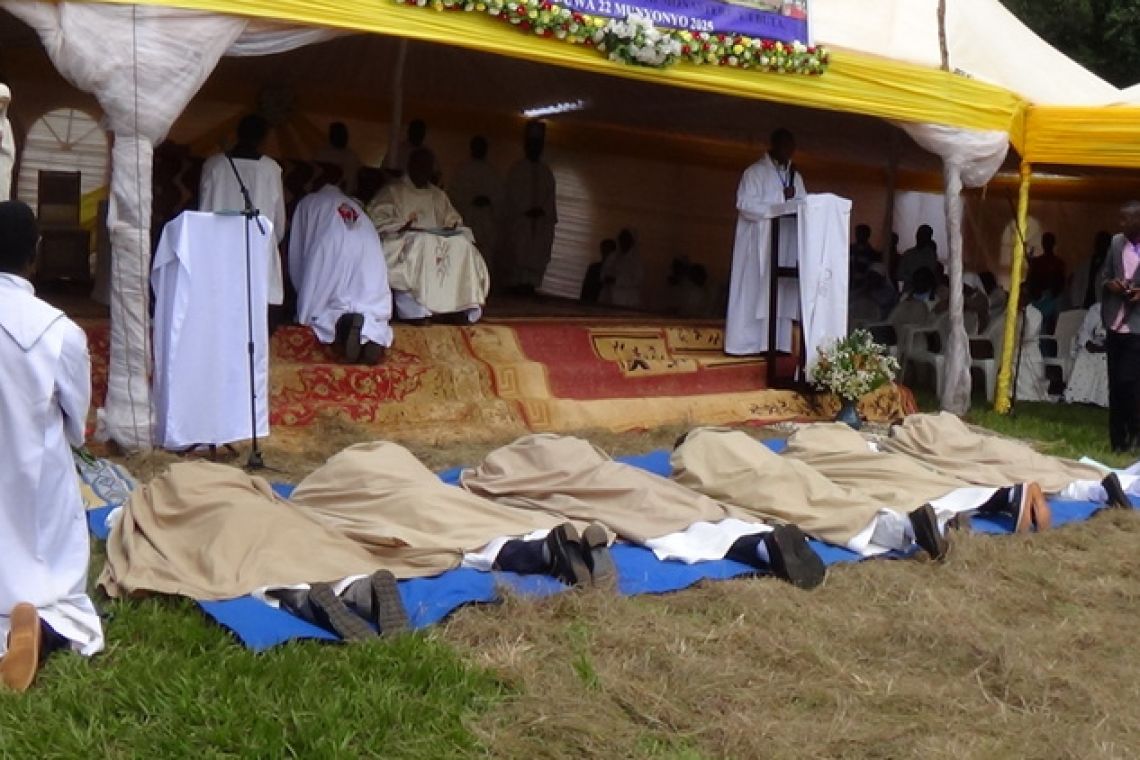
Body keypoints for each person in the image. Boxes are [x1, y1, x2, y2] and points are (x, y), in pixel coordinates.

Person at [461, 434, 827, 588]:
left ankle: (546, 550)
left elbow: (501, 483)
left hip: (588, 475)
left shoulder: (509, 460)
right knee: (673, 507)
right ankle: (759, 542)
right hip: (612, 473)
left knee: (649, 517)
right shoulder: (571, 448)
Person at [0, 201, 104, 692]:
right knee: (54, 590)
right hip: (32, 487)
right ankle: (39, 625)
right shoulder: (59, 332)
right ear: (35, 255)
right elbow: (76, 426)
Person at [367, 148, 490, 323]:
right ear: (411, 166)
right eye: (420, 166)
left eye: (427, 167)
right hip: (406, 240)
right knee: (422, 243)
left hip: (435, 238)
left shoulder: (438, 195)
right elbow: (377, 218)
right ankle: (416, 312)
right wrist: (402, 226)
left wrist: (453, 228)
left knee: (462, 245)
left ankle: (458, 307)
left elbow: (454, 220)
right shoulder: (393, 191)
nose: (423, 171)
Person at [289, 184, 393, 364]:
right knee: (367, 304)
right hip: (368, 241)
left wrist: (303, 300)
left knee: (322, 308)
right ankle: (370, 333)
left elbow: (298, 248)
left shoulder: (309, 202)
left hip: (330, 242)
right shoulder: (354, 205)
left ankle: (343, 326)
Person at [725, 127, 806, 355]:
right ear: (774, 145)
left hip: (784, 246)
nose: (789, 151)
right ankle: (746, 344)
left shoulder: (795, 176)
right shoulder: (754, 173)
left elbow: (803, 204)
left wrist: (793, 202)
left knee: (779, 294)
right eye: (785, 146)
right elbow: (744, 204)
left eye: (792, 147)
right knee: (753, 293)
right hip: (757, 246)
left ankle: (775, 344)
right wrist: (780, 201)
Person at [199, 114, 286, 306]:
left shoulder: (214, 165)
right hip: (258, 252)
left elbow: (202, 213)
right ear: (264, 139)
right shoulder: (271, 169)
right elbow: (278, 223)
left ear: (237, 134)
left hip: (219, 251)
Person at [1099, 201, 1140, 452]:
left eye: (1126, 219)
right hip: (1114, 323)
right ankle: (1117, 440)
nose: (1121, 224)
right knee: (1115, 384)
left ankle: (1135, 431)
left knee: (1129, 382)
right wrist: (1111, 284)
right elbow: (1103, 276)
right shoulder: (1116, 243)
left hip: (1136, 327)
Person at [503, 120, 557, 294]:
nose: (535, 148)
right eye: (532, 144)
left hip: (539, 223)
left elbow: (550, 199)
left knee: (536, 253)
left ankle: (530, 285)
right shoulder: (517, 170)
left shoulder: (546, 172)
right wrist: (524, 210)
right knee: (518, 252)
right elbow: (510, 197)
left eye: (538, 145)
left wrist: (541, 211)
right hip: (521, 222)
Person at [448, 136, 503, 273]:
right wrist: (471, 202)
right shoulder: (462, 170)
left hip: (486, 225)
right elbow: (454, 195)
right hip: (468, 220)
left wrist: (487, 202)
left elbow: (499, 198)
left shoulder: (492, 173)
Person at [1064, 302, 1108, 407]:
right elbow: (1085, 329)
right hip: (1095, 344)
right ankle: (1079, 395)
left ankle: (1101, 399)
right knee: (1084, 354)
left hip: (1116, 348)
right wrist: (1088, 344)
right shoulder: (1097, 308)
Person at [600, 228, 644, 309]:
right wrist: (606, 278)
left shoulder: (637, 261)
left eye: (626, 239)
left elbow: (638, 280)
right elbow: (603, 272)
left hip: (628, 301)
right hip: (609, 297)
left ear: (632, 241)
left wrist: (616, 280)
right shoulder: (613, 256)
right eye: (621, 238)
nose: (623, 241)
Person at [314, 122, 362, 195]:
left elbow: (351, 182)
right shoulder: (322, 153)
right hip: (324, 192)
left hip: (339, 193)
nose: (342, 138)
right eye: (338, 135)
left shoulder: (350, 155)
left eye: (343, 135)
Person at [1068, 231, 1112, 310]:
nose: (1101, 246)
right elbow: (1076, 285)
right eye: (1099, 243)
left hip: (1103, 307)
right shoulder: (1085, 265)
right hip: (1084, 305)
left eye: (1104, 243)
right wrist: (1076, 304)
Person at [897, 225, 940, 292]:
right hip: (909, 292)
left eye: (925, 235)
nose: (921, 237)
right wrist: (913, 279)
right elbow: (899, 275)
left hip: (925, 293)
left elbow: (931, 275)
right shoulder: (908, 254)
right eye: (920, 234)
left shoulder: (931, 255)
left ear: (929, 238)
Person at [580, 238, 615, 304]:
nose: (606, 253)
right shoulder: (593, 268)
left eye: (608, 251)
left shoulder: (617, 270)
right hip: (592, 302)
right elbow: (585, 289)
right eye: (604, 250)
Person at [848, 223, 880, 289]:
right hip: (848, 283)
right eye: (857, 233)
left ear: (868, 235)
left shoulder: (872, 253)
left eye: (861, 233)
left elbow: (874, 272)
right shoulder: (849, 249)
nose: (858, 235)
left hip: (863, 286)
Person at [0, 83, 13, 202]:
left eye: (4, 103)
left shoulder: (6, 124)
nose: (1, 105)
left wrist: (2, 145)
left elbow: (11, 151)